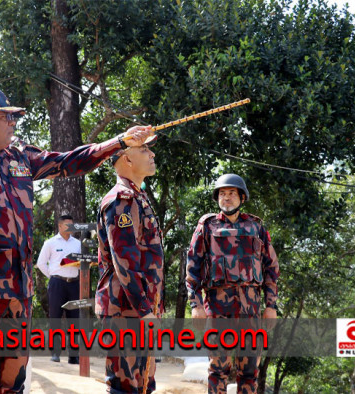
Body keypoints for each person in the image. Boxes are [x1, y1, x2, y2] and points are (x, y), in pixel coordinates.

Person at [0, 86, 153, 393]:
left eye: (14, 118)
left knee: (12, 383)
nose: (12, 123)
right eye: (6, 117)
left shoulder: (20, 158)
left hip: (18, 292)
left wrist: (120, 142)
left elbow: (70, 161)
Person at [185, 174, 279, 394]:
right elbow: (192, 267)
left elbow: (271, 268)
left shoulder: (256, 228)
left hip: (251, 312)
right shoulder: (207, 226)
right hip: (218, 311)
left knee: (249, 372)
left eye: (232, 194)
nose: (226, 198)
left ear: (242, 197)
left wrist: (271, 306)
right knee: (217, 370)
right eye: (222, 194)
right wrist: (195, 305)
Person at [95, 136, 163, 393]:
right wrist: (145, 310)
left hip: (139, 310)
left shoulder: (137, 197)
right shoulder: (121, 200)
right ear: (127, 158)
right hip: (126, 310)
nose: (152, 155)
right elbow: (124, 261)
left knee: (145, 384)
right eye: (144, 150)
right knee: (125, 387)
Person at [36, 214, 82, 364]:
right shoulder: (50, 243)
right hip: (57, 284)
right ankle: (55, 353)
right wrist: (53, 275)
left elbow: (82, 262)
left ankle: (73, 356)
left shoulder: (78, 243)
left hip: (74, 283)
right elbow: (41, 263)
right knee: (55, 317)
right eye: (68, 225)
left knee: (74, 319)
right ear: (60, 226)